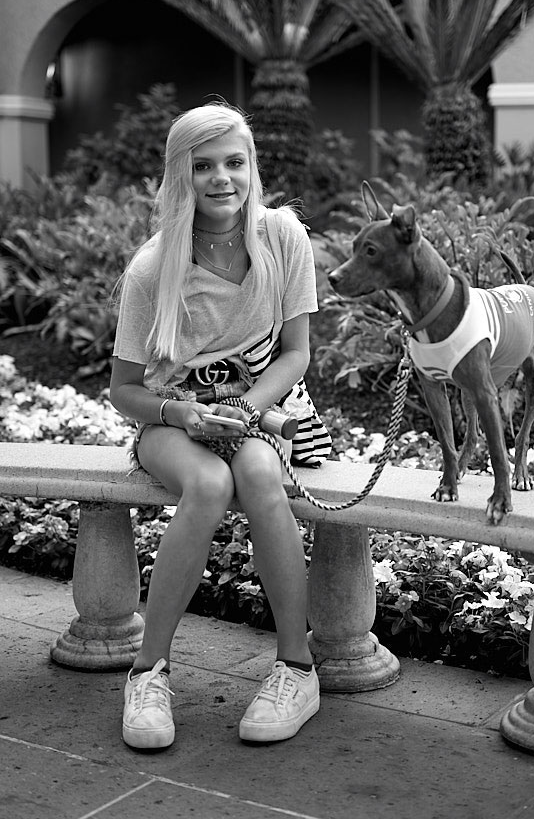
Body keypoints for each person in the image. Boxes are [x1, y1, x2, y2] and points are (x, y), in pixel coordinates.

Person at [110, 102, 328, 750]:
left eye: (235, 162)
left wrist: (251, 408)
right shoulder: (152, 270)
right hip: (173, 416)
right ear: (180, 175)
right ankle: (148, 673)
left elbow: (297, 352)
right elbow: (125, 390)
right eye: (203, 166)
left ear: (252, 166)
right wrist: (182, 413)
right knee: (206, 484)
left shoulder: (283, 238)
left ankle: (296, 669)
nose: (222, 178)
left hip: (254, 408)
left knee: (261, 472)